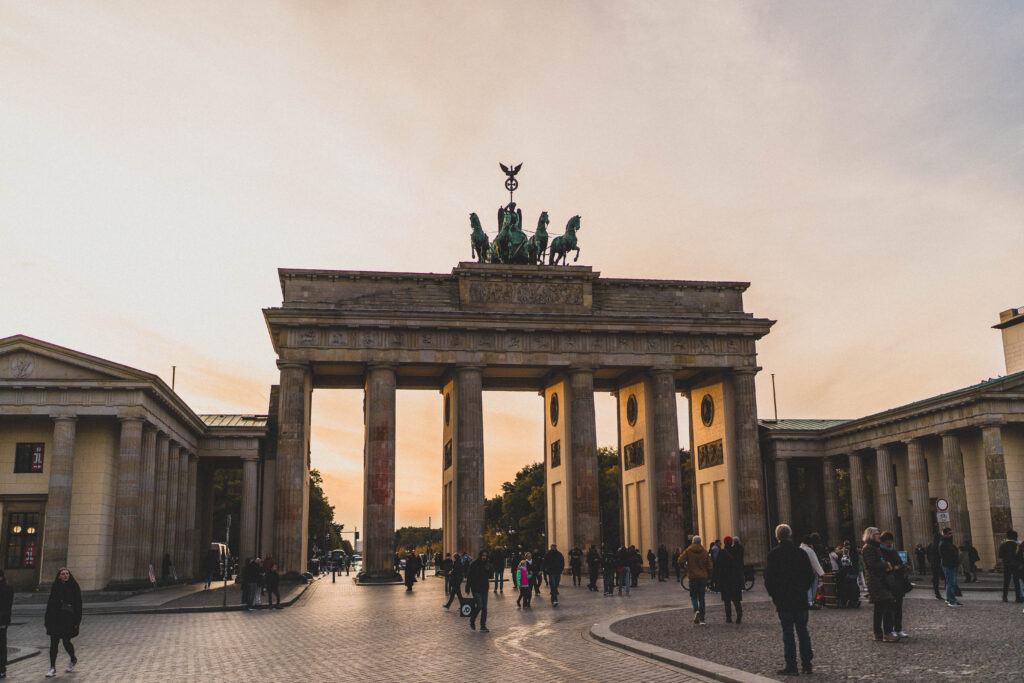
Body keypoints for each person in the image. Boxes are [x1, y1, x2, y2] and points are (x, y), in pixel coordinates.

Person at [764, 524, 814, 676]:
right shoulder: (800, 553)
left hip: (783, 600)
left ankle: (791, 665)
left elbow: (768, 579)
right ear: (790, 536)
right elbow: (809, 575)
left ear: (777, 537)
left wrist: (775, 596)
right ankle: (807, 664)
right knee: (803, 631)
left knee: (788, 633)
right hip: (799, 598)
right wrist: (803, 590)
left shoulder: (773, 554)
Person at [862, 527, 899, 642]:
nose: (879, 536)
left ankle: (878, 633)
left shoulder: (874, 547)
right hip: (876, 581)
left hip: (878, 580)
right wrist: (886, 564)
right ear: (871, 535)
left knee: (879, 607)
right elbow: (872, 564)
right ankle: (887, 633)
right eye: (877, 534)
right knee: (888, 604)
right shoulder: (869, 548)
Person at [44, 567, 82, 678]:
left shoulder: (74, 587)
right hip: (55, 619)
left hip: (68, 620)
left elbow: (78, 606)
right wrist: (47, 620)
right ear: (59, 576)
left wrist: (77, 621)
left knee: (66, 642)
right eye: (63, 574)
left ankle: (73, 658)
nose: (66, 575)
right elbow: (50, 604)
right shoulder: (55, 587)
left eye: (67, 574)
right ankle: (52, 668)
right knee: (53, 644)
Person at [878, 531, 911, 638]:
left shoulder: (893, 551)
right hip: (889, 582)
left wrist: (903, 567)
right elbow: (884, 566)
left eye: (891, 542)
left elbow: (899, 562)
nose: (890, 544)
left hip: (898, 581)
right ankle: (890, 629)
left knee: (898, 607)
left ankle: (899, 628)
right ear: (883, 542)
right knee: (890, 608)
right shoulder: (880, 552)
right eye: (888, 542)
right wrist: (893, 567)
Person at [679, 535, 712, 625]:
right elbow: (710, 565)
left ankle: (696, 610)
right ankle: (702, 619)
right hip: (702, 577)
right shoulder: (704, 552)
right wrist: (709, 577)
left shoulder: (688, 551)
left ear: (693, 542)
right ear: (700, 542)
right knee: (702, 598)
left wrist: (685, 567)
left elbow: (680, 560)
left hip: (693, 577)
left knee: (693, 597)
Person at [714, 536, 743, 624]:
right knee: (736, 599)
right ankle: (739, 613)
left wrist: (717, 579)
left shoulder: (722, 552)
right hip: (735, 579)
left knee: (727, 600)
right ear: (731, 542)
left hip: (725, 579)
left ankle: (728, 617)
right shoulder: (736, 551)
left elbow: (718, 566)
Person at [466, 550, 492, 632]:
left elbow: (491, 576)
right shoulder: (474, 564)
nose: (484, 557)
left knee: (485, 608)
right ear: (480, 556)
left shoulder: (487, 564)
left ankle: (483, 626)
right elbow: (469, 576)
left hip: (484, 588)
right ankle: (472, 620)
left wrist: (488, 570)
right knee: (480, 605)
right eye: (483, 555)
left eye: (485, 556)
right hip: (476, 588)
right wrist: (468, 587)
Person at [800, 535, 826, 608]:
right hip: (811, 572)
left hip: (802, 572)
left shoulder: (800, 549)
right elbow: (815, 562)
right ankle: (811, 602)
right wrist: (822, 573)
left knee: (806, 588)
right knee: (812, 587)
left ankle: (807, 602)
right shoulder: (809, 550)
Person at [939, 527, 963, 606]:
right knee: (950, 583)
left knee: (951, 583)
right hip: (949, 565)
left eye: (951, 533)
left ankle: (950, 599)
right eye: (949, 533)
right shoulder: (944, 543)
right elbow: (946, 555)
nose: (951, 535)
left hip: (951, 565)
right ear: (945, 534)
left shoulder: (947, 542)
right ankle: (951, 601)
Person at [999, 530, 1023, 602]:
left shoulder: (1003, 545)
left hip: (1007, 565)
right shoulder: (1018, 545)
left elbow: (1000, 555)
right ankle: (1018, 597)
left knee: (1006, 581)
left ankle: (1005, 597)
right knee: (1016, 582)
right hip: (1016, 565)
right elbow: (1020, 555)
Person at [0, 569, 12, 678]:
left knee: (1, 645)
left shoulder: (6, 588)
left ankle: (2, 668)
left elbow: (7, 607)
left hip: (2, 621)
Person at [926, 532, 944, 600]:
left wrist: (930, 561)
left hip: (933, 564)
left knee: (936, 578)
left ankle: (937, 593)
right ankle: (950, 593)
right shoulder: (939, 545)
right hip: (940, 563)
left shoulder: (930, 545)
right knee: (945, 578)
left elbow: (927, 554)